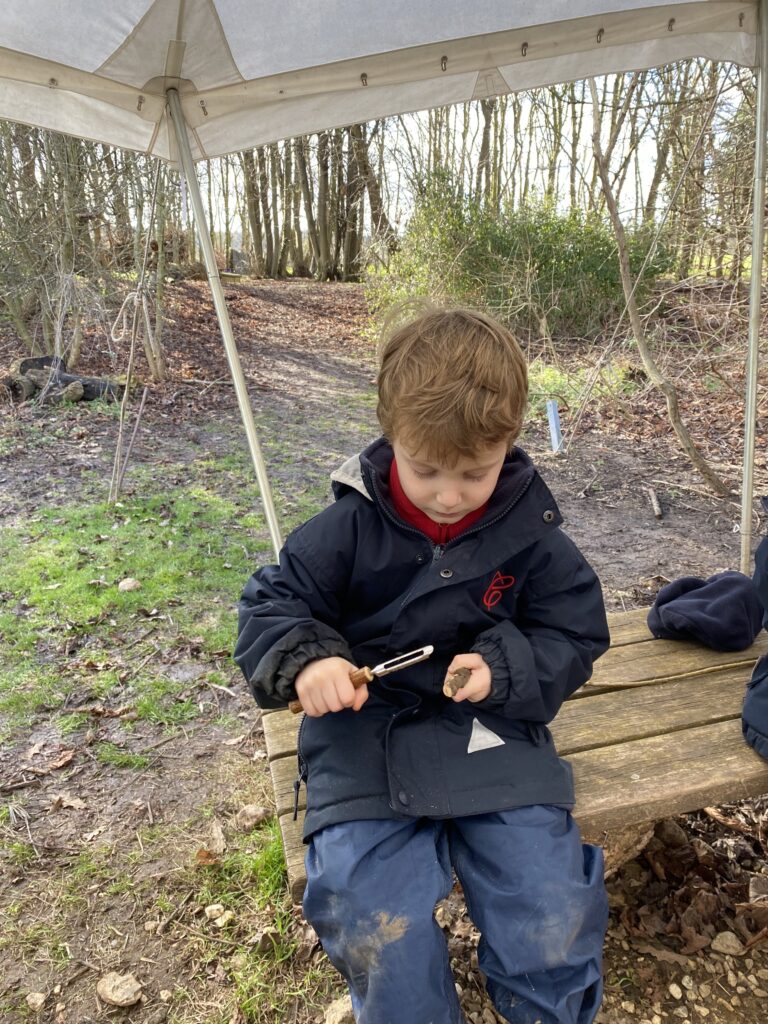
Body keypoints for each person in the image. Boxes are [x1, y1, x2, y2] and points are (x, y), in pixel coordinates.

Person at [235, 303, 611, 1024]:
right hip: (363, 738)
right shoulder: (349, 525)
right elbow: (270, 606)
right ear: (392, 438)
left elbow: (574, 630)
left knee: (548, 902)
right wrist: (309, 660)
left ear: (510, 442)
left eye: (474, 472)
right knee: (374, 917)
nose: (447, 494)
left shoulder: (530, 532)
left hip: (491, 730)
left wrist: (505, 667)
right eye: (426, 468)